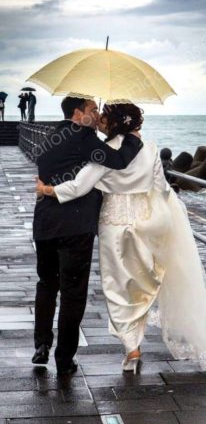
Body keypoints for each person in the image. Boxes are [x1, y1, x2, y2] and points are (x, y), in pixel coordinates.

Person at [36, 102, 206, 375]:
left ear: (114, 123)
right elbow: (162, 188)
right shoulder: (149, 148)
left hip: (114, 224)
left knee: (118, 288)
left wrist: (48, 189)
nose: (100, 120)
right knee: (146, 281)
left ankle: (132, 347)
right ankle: (135, 343)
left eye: (103, 117)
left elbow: (80, 186)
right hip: (145, 221)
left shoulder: (103, 152)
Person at [32, 96, 142, 375]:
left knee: (46, 284)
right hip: (75, 227)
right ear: (78, 113)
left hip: (44, 223)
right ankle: (64, 359)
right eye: (92, 109)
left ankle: (41, 344)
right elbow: (117, 160)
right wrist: (133, 138)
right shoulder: (85, 138)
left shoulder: (49, 138)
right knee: (72, 293)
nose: (96, 114)